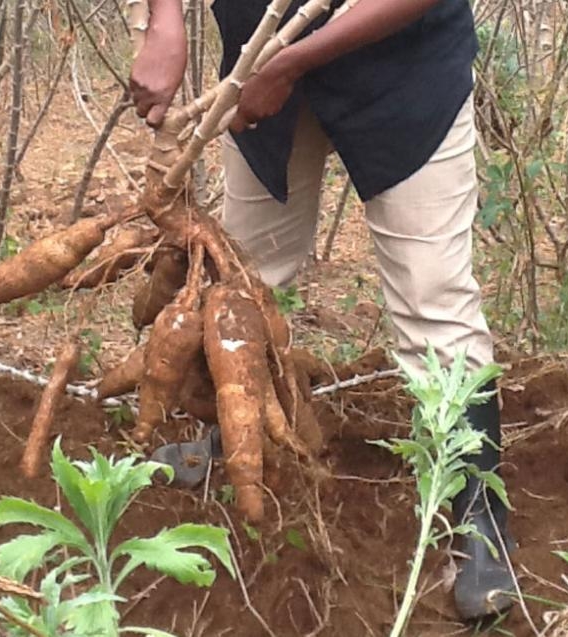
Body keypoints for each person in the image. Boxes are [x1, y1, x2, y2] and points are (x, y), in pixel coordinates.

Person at [130, 0, 515, 620]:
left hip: (404, 76)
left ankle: (478, 518)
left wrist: (293, 61)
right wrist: (164, 19)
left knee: (433, 300)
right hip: (260, 65)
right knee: (239, 275)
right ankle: (228, 442)